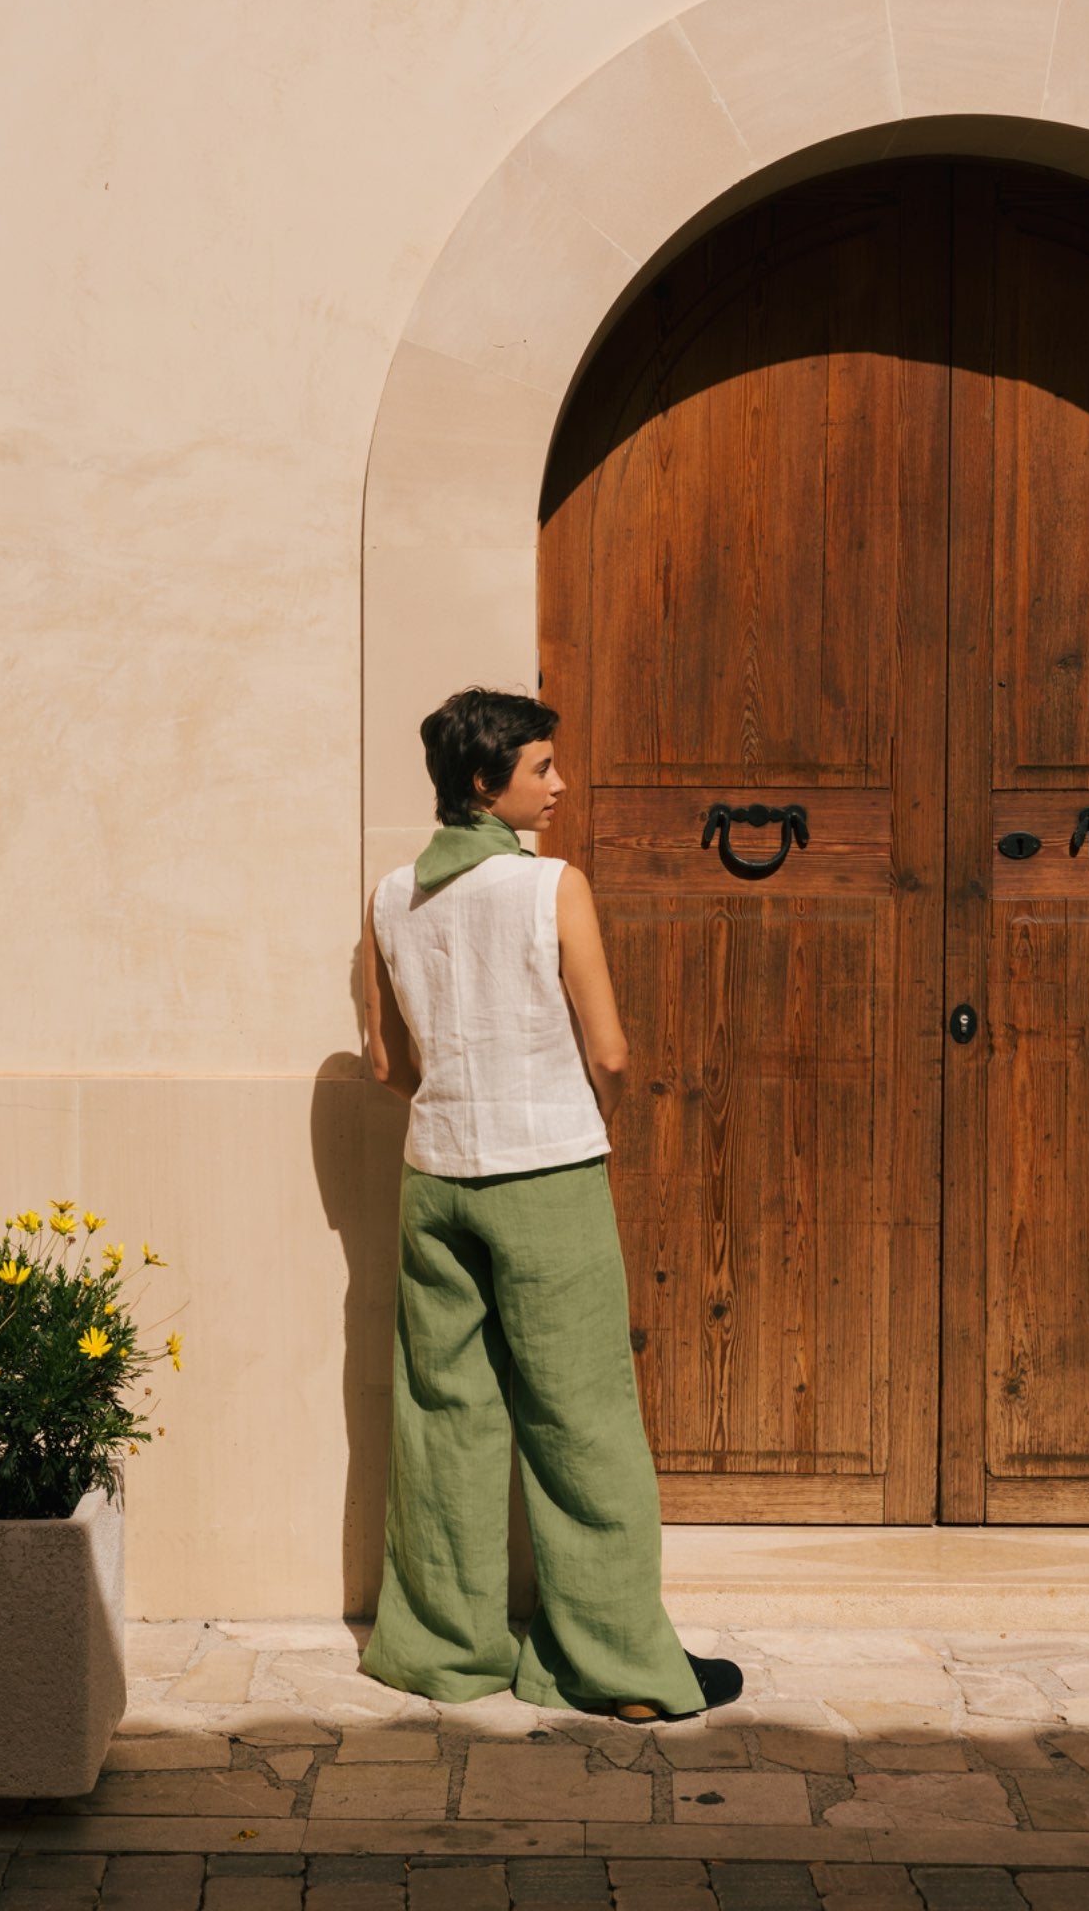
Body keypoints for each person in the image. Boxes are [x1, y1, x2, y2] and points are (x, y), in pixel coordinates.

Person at [358, 686, 742, 1722]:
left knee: (444, 1418)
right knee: (584, 1421)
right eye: (542, 767)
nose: (560, 782)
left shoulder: (393, 895)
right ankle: (616, 1667)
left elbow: (384, 1059)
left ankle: (443, 1650)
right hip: (547, 1173)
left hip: (435, 1175)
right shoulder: (550, 886)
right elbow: (609, 1047)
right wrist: (581, 1109)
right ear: (488, 783)